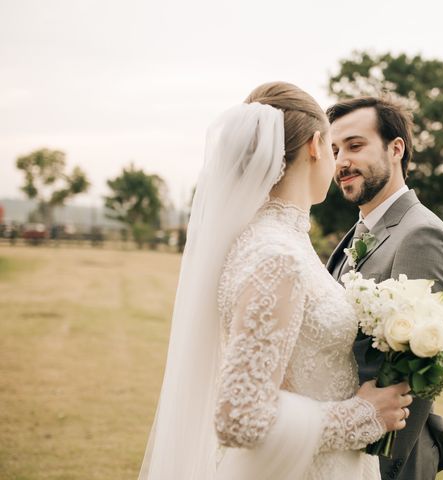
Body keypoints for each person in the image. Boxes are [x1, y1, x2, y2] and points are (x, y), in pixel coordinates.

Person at [138, 82, 413, 480]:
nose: (336, 163)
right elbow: (240, 417)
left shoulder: (271, 241)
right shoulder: (276, 256)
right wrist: (362, 415)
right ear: (315, 146)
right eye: (333, 150)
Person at [326, 97, 443, 480]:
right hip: (346, 446)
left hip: (384, 457)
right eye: (334, 150)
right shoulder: (360, 230)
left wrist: (380, 466)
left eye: (355, 146)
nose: (340, 162)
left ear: (395, 148)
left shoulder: (421, 234)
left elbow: (421, 367)